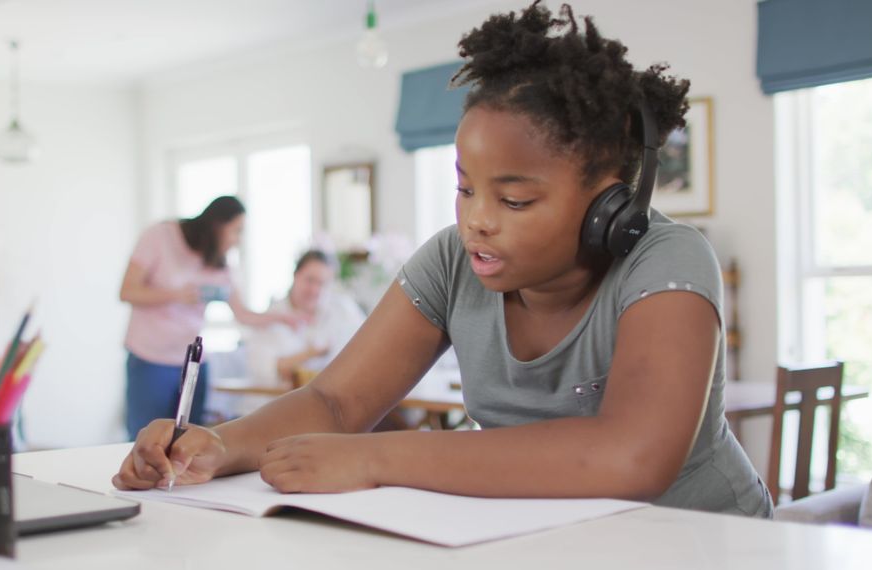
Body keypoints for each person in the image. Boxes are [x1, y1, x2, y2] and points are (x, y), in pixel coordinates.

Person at [113, 1, 773, 518]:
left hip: (703, 541)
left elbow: (630, 457)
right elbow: (337, 404)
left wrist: (377, 459)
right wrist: (222, 445)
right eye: (465, 188)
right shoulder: (455, 262)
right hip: (553, 539)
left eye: (513, 200)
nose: (476, 217)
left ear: (611, 209)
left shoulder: (669, 262)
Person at [119, 195, 299, 439]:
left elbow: (243, 314)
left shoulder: (221, 264)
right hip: (151, 360)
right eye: (236, 231)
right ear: (217, 225)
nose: (238, 240)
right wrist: (175, 295)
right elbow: (127, 291)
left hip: (192, 364)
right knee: (143, 439)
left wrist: (281, 318)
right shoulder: (160, 236)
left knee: (187, 442)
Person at [245, 250, 364, 390]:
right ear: (295, 276)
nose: (314, 290)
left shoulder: (342, 309)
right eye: (310, 280)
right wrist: (312, 353)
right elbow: (269, 370)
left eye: (322, 284)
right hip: (279, 401)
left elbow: (368, 342)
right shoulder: (271, 318)